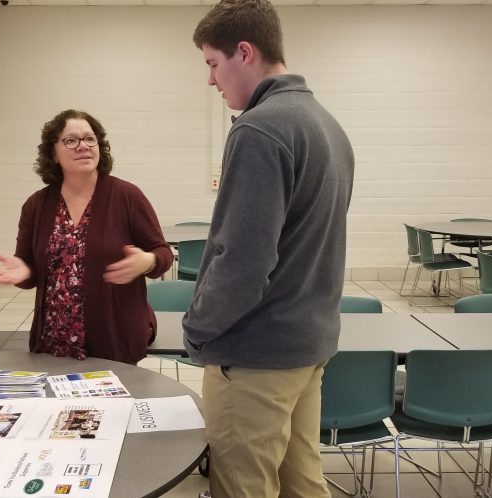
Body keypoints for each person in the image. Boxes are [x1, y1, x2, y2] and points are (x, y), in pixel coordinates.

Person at [182, 1, 355, 497]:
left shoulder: (260, 129)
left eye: (213, 65)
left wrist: (197, 330)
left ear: (244, 52)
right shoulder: (325, 124)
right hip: (307, 347)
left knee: (244, 487)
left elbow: (242, 263)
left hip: (255, 357)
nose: (211, 82)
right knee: (303, 483)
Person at [0, 109, 173, 364]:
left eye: (90, 138)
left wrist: (148, 261)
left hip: (114, 337)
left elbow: (162, 252)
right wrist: (24, 271)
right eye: (71, 140)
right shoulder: (36, 205)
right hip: (53, 341)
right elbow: (29, 270)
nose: (83, 146)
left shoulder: (127, 196)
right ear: (53, 153)